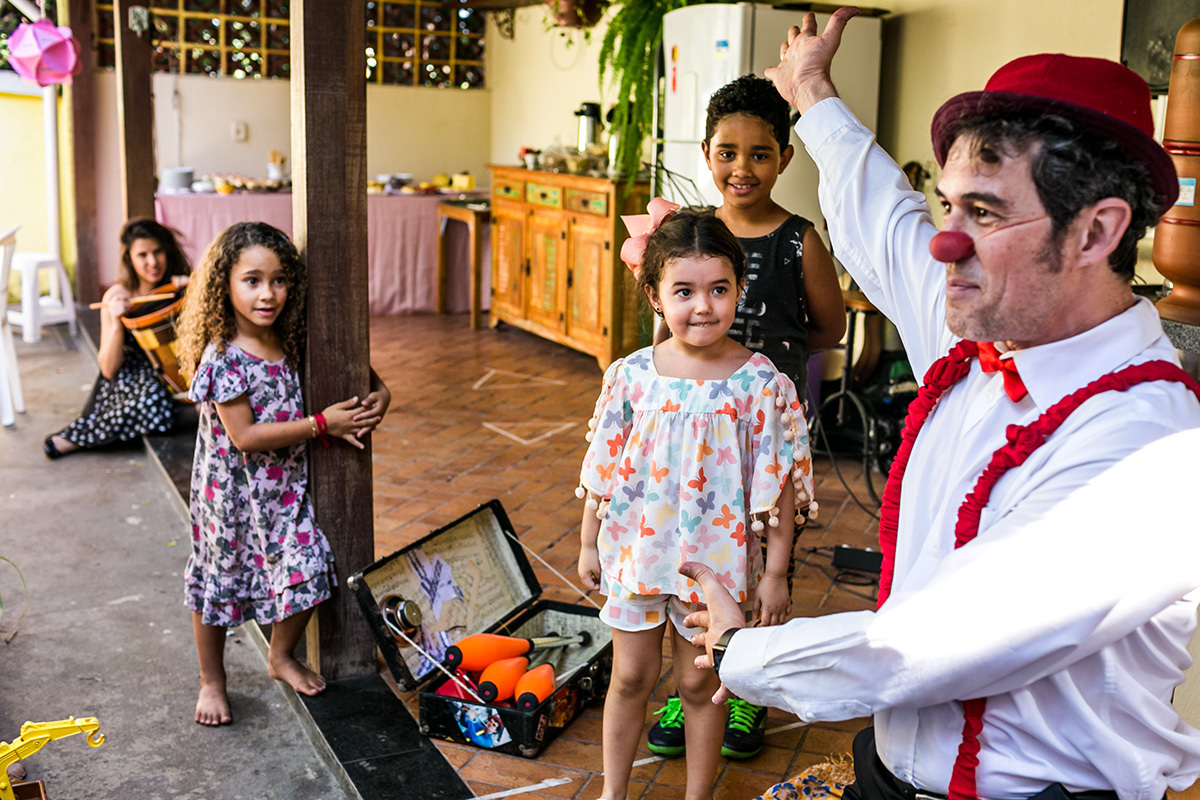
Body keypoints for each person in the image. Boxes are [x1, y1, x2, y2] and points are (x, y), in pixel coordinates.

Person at [683, 8, 1200, 800]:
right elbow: (884, 219)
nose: (944, 240)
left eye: (983, 211)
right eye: (950, 205)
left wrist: (741, 654)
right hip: (892, 776)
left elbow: (941, 640)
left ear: (1096, 232)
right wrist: (813, 94)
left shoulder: (1150, 441)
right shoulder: (987, 329)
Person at [576, 206, 814, 800]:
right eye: (684, 291)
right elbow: (602, 467)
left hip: (719, 565)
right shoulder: (631, 376)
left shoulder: (760, 383)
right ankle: (613, 792)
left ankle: (698, 796)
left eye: (718, 289)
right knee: (630, 676)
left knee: (700, 682)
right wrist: (587, 540)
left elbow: (777, 486)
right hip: (637, 552)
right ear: (655, 295)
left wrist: (777, 572)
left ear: (739, 289)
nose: (703, 306)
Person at [648, 72, 847, 762]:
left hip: (763, 441)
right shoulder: (687, 238)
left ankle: (748, 694)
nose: (742, 168)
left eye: (760, 153)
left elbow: (829, 329)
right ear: (706, 153)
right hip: (694, 441)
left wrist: (764, 370)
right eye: (727, 152)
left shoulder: (800, 241)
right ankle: (693, 683)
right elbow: (661, 337)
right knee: (695, 554)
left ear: (786, 157)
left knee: (764, 560)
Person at [175, 222, 391, 726]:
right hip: (228, 498)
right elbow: (244, 437)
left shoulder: (295, 341)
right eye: (252, 280)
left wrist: (379, 393)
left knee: (310, 569)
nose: (267, 294)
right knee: (218, 586)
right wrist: (322, 425)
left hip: (283, 491)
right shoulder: (224, 357)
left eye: (279, 280)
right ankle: (212, 680)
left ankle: (279, 655)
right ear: (223, 285)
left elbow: (363, 372)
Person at [44, 218, 191, 459]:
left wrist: (195, 289)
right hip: (130, 373)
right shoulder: (118, 294)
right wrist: (115, 322)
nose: (152, 262)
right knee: (150, 398)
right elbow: (109, 368)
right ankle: (76, 439)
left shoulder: (179, 283)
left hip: (174, 365)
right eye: (142, 255)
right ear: (129, 260)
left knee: (156, 398)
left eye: (158, 252)